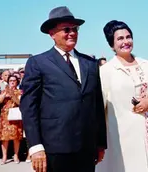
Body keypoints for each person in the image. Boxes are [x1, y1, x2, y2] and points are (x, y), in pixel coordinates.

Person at [20, 6, 107, 172]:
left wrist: (100, 143)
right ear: (52, 34)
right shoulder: (38, 63)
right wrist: (36, 146)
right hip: (54, 149)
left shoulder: (90, 63)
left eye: (75, 29)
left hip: (86, 149)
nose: (72, 33)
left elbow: (97, 106)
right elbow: (29, 107)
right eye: (66, 29)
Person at [96, 20, 148, 172]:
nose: (126, 41)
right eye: (120, 39)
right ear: (111, 45)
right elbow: (99, 108)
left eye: (128, 37)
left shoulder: (146, 65)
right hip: (122, 137)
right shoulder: (106, 71)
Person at [0, 75, 22, 165]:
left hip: (15, 116)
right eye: (11, 80)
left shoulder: (20, 92)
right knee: (4, 137)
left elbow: (19, 102)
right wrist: (6, 93)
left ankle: (16, 155)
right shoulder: (4, 91)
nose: (12, 82)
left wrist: (12, 94)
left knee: (16, 137)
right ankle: (4, 156)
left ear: (17, 82)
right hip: (5, 117)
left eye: (14, 80)